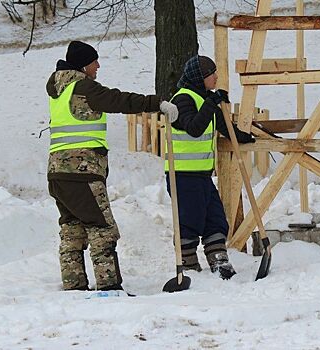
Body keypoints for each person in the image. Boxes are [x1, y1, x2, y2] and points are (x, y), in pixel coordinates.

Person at [46, 40, 178, 291]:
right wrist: (157, 104)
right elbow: (119, 100)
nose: (98, 65)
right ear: (84, 65)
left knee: (72, 229)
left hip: (57, 173)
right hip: (82, 171)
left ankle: (73, 286)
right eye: (94, 61)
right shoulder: (84, 88)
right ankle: (109, 287)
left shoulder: (58, 90)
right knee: (101, 228)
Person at [166, 55, 255, 280]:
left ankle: (219, 258)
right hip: (183, 175)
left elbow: (226, 128)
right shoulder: (182, 100)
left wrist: (246, 137)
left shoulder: (204, 98)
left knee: (215, 218)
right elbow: (193, 128)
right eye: (211, 74)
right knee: (190, 219)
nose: (216, 77)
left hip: (202, 174)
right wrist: (211, 103)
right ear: (200, 77)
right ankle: (187, 262)